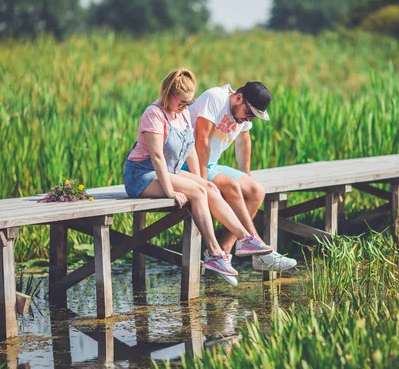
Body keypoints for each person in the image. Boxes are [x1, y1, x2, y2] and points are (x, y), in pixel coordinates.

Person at [123, 68, 273, 282]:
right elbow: (156, 157)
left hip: (169, 170)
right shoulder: (154, 115)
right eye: (182, 103)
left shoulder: (182, 113)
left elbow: (191, 149)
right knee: (198, 193)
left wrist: (201, 180)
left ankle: (245, 238)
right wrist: (170, 191)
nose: (186, 107)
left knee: (208, 188)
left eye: (189, 103)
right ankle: (214, 253)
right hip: (142, 174)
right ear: (168, 95)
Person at [184, 81, 297, 281]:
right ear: (238, 98)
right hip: (187, 162)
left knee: (255, 191)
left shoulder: (243, 113)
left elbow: (244, 141)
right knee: (232, 186)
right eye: (249, 113)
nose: (249, 118)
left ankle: (225, 252)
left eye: (253, 116)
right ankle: (259, 249)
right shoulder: (215, 98)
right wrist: (202, 182)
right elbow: (202, 140)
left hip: (211, 163)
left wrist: (245, 174)